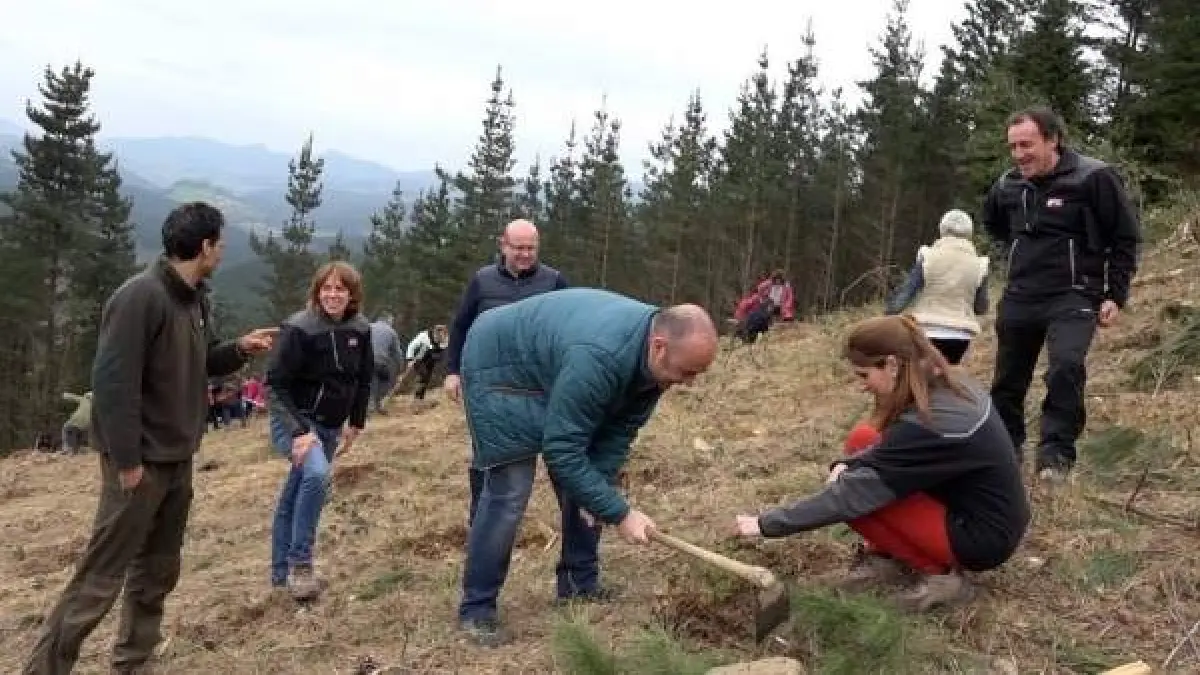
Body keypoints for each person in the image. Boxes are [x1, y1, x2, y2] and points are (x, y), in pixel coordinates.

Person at [24, 202, 276, 675]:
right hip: (140, 462)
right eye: (220, 243)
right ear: (205, 246)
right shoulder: (140, 296)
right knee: (100, 579)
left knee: (157, 571)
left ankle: (133, 663)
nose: (222, 251)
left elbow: (201, 360)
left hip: (178, 457)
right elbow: (113, 384)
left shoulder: (194, 298)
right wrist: (127, 462)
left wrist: (240, 349)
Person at [457, 287, 719, 645]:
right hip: (500, 367)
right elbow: (562, 450)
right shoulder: (600, 357)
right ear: (659, 346)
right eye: (687, 372)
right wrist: (621, 514)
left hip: (556, 362)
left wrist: (600, 495)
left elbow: (618, 434)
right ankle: (477, 610)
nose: (688, 383)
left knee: (588, 485)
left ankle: (578, 585)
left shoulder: (656, 361)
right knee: (510, 491)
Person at [732, 315, 1030, 613]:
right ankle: (885, 556)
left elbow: (849, 497)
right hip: (978, 509)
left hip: (981, 537)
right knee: (862, 440)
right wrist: (849, 463)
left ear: (892, 365)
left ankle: (943, 578)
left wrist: (764, 524)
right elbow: (890, 453)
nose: (861, 386)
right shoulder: (947, 382)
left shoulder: (933, 425)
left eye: (864, 375)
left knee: (856, 500)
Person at [982, 106, 1142, 482]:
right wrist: (1021, 253)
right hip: (1021, 294)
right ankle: (1005, 453)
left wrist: (1115, 294)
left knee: (1066, 369)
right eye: (1013, 146)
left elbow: (1125, 237)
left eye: (1027, 145)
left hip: (1074, 294)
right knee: (1007, 381)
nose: (1019, 154)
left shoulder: (1093, 177)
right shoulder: (1007, 186)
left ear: (1052, 140)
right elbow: (994, 225)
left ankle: (1055, 457)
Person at [443, 218, 569, 524]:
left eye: (531, 248)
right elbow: (460, 326)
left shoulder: (554, 282)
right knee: (488, 455)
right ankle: (480, 523)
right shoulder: (482, 281)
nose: (525, 254)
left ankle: (575, 521)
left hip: (540, 386)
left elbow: (569, 329)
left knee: (559, 456)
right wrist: (453, 370)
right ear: (503, 245)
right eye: (518, 248)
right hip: (491, 387)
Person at [264, 260, 373, 601]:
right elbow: (274, 385)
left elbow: (363, 379)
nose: (333, 295)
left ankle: (279, 575)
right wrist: (299, 431)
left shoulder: (360, 329)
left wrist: (356, 422)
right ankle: (301, 565)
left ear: (352, 294)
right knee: (316, 477)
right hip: (295, 421)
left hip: (329, 426)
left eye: (340, 289)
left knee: (296, 493)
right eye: (326, 288)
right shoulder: (299, 328)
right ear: (317, 292)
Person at [885, 209, 990, 365]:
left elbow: (905, 295)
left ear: (942, 229)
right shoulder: (980, 264)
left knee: (921, 375)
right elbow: (981, 308)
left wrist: (887, 315)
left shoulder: (928, 256)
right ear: (970, 233)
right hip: (960, 336)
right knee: (947, 373)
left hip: (927, 331)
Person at [368, 312, 404, 414]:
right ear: (388, 320)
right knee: (384, 380)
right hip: (380, 362)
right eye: (392, 321)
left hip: (365, 361)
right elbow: (397, 353)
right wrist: (400, 367)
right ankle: (377, 404)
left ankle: (370, 403)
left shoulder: (368, 327)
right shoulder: (391, 332)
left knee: (368, 381)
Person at [403, 324, 448, 400]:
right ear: (435, 333)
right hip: (418, 358)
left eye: (443, 335)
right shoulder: (424, 336)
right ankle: (416, 395)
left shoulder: (445, 339)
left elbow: (442, 350)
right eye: (439, 335)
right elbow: (411, 346)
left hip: (431, 359)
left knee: (427, 378)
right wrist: (409, 359)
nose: (441, 338)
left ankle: (420, 397)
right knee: (423, 374)